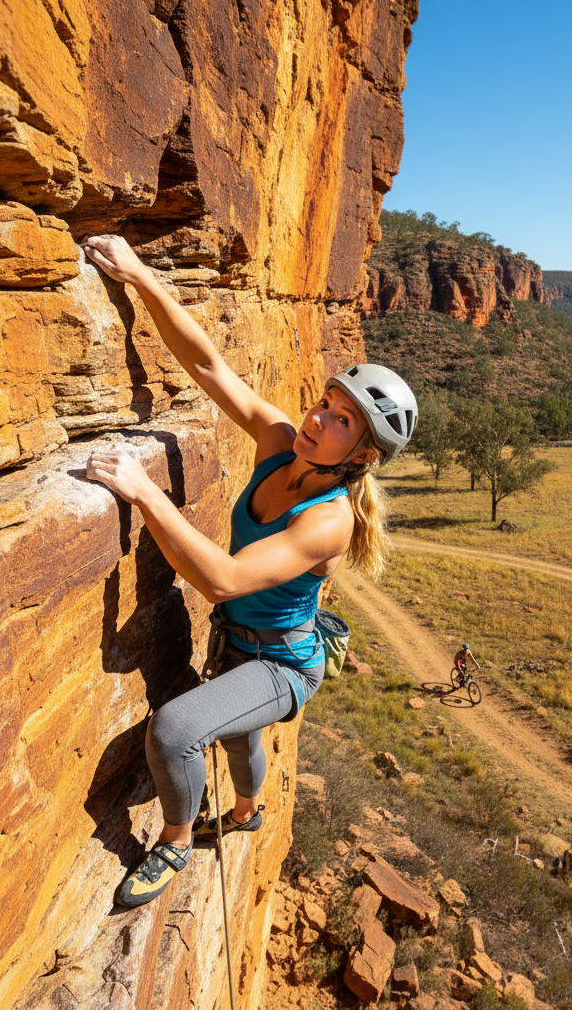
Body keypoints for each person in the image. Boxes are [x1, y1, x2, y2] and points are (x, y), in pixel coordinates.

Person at [80, 234, 418, 909]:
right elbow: (208, 368)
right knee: (238, 735)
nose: (319, 417)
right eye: (326, 401)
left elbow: (225, 581)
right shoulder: (280, 441)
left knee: (176, 730)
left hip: (284, 665)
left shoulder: (328, 520)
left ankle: (176, 839)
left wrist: (145, 493)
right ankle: (250, 808)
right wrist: (142, 276)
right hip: (240, 641)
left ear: (359, 457)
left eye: (342, 420)